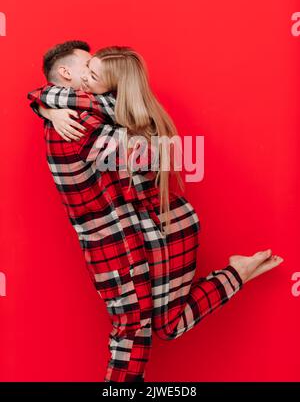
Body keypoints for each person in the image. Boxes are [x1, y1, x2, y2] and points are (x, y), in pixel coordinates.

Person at [28, 41, 284, 382]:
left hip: (157, 231)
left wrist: (43, 100)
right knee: (166, 325)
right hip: (124, 242)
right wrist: (44, 102)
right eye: (88, 67)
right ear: (65, 73)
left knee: (132, 331)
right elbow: (140, 151)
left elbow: (148, 157)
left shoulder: (94, 110)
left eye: (98, 71)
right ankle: (235, 273)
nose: (95, 73)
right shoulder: (73, 120)